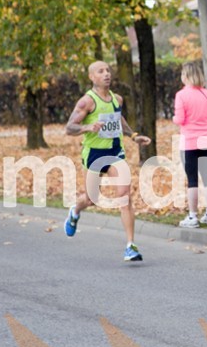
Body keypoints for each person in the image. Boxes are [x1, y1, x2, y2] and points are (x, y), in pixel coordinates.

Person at [63, 61, 152, 261]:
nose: (106, 74)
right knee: (91, 198)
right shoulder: (87, 102)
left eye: (108, 70)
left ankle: (130, 246)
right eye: (100, 71)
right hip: (93, 153)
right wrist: (87, 128)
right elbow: (69, 128)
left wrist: (133, 135)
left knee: (125, 196)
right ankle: (75, 211)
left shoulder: (117, 99)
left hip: (114, 151)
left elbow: (119, 120)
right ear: (92, 77)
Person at [173, 60, 207, 228]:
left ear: (186, 76)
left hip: (190, 140)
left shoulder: (181, 95)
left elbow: (180, 119)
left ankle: (192, 216)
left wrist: (173, 119)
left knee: (192, 179)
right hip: (206, 138)